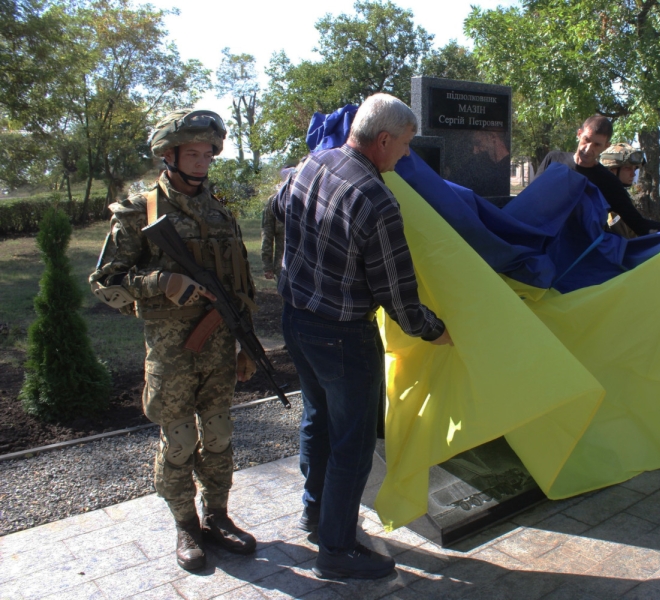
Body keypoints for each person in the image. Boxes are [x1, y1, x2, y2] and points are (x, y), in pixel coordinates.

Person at [272, 93, 453, 580]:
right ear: (384, 139)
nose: (407, 156)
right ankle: (337, 549)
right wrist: (435, 332)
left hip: (296, 320)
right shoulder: (376, 200)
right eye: (406, 145)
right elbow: (397, 293)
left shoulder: (312, 164)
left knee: (319, 420)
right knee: (352, 443)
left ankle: (315, 516)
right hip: (342, 338)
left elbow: (275, 209)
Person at [89, 109, 258, 571]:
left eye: (208, 154)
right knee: (180, 439)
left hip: (220, 345)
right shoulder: (140, 211)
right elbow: (106, 282)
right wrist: (160, 282)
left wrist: (245, 343)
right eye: (192, 153)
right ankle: (186, 524)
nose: (202, 162)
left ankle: (218, 515)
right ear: (169, 155)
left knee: (220, 435)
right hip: (171, 349)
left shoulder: (220, 210)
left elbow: (239, 283)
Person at [533, 115, 660, 236]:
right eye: (586, 140)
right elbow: (530, 200)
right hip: (540, 242)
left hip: (578, 257)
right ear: (579, 134)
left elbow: (639, 226)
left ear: (606, 146)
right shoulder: (554, 159)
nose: (588, 149)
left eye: (597, 145)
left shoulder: (609, 182)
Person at [260, 195, 285, 281]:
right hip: (283, 267)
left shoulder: (310, 197)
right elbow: (267, 234)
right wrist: (267, 266)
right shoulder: (275, 200)